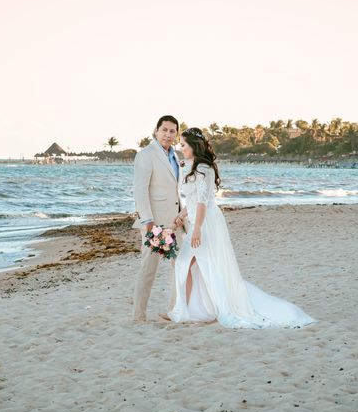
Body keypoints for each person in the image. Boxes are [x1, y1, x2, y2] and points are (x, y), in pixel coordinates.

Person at [167, 127, 316, 329]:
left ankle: (195, 310)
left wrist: (197, 228)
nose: (181, 148)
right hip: (197, 220)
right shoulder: (192, 166)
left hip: (205, 223)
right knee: (189, 265)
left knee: (196, 265)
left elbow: (203, 202)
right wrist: (181, 215)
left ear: (194, 145)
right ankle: (192, 310)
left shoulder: (204, 169)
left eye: (183, 145)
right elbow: (193, 201)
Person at [132, 115, 183, 321]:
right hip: (155, 224)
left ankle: (174, 311)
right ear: (156, 130)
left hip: (177, 224)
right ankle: (138, 316)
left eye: (172, 131)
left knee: (180, 268)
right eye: (164, 130)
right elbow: (140, 191)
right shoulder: (146, 155)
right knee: (148, 270)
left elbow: (177, 190)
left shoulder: (177, 156)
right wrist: (148, 222)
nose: (168, 134)